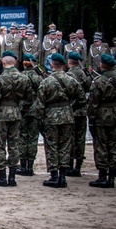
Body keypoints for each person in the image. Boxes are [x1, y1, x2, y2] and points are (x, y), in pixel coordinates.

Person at [30, 52, 86, 188]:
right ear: (64, 65)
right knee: (65, 146)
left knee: (52, 146)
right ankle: (62, 176)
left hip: (51, 117)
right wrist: (70, 108)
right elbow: (82, 99)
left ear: (51, 65)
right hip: (67, 116)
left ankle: (54, 176)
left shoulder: (46, 81)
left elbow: (40, 104)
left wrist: (39, 119)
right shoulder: (71, 80)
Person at [0, 52, 33, 186]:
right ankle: (12, 176)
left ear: (3, 63)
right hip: (16, 113)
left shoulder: (0, 79)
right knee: (14, 145)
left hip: (2, 114)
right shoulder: (24, 78)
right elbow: (29, 98)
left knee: (0, 145)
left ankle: (2, 176)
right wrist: (21, 110)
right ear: (15, 63)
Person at [87, 54, 116, 187]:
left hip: (103, 116)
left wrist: (91, 118)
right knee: (114, 145)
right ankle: (112, 177)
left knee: (101, 146)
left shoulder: (99, 81)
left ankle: (103, 176)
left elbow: (93, 103)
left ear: (103, 65)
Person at [17, 53, 44, 176]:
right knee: (33, 138)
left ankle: (22, 165)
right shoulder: (39, 78)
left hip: (22, 110)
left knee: (22, 137)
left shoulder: (20, 77)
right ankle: (30, 166)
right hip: (35, 110)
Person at [65, 51, 91, 177]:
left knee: (70, 138)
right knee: (80, 138)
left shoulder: (69, 74)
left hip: (71, 110)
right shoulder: (83, 74)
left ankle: (69, 165)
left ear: (70, 61)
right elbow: (88, 88)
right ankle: (78, 166)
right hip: (82, 110)